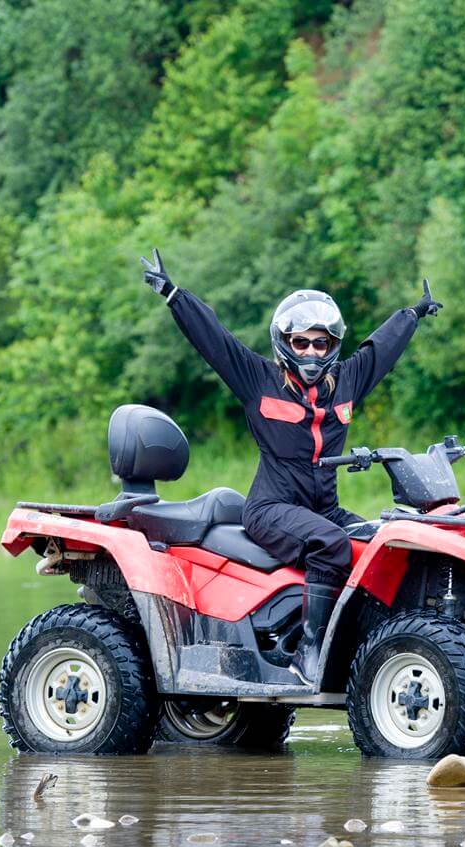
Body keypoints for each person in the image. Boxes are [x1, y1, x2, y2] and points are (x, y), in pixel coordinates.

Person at [141, 249, 442, 679]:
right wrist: (173, 294)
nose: (312, 353)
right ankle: (309, 653)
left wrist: (411, 314)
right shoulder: (257, 379)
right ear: (285, 343)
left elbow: (381, 349)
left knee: (392, 540)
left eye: (321, 343)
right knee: (332, 544)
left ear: (333, 346)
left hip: (325, 509)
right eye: (302, 342)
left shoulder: (349, 382)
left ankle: (378, 650)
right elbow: (215, 340)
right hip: (271, 509)